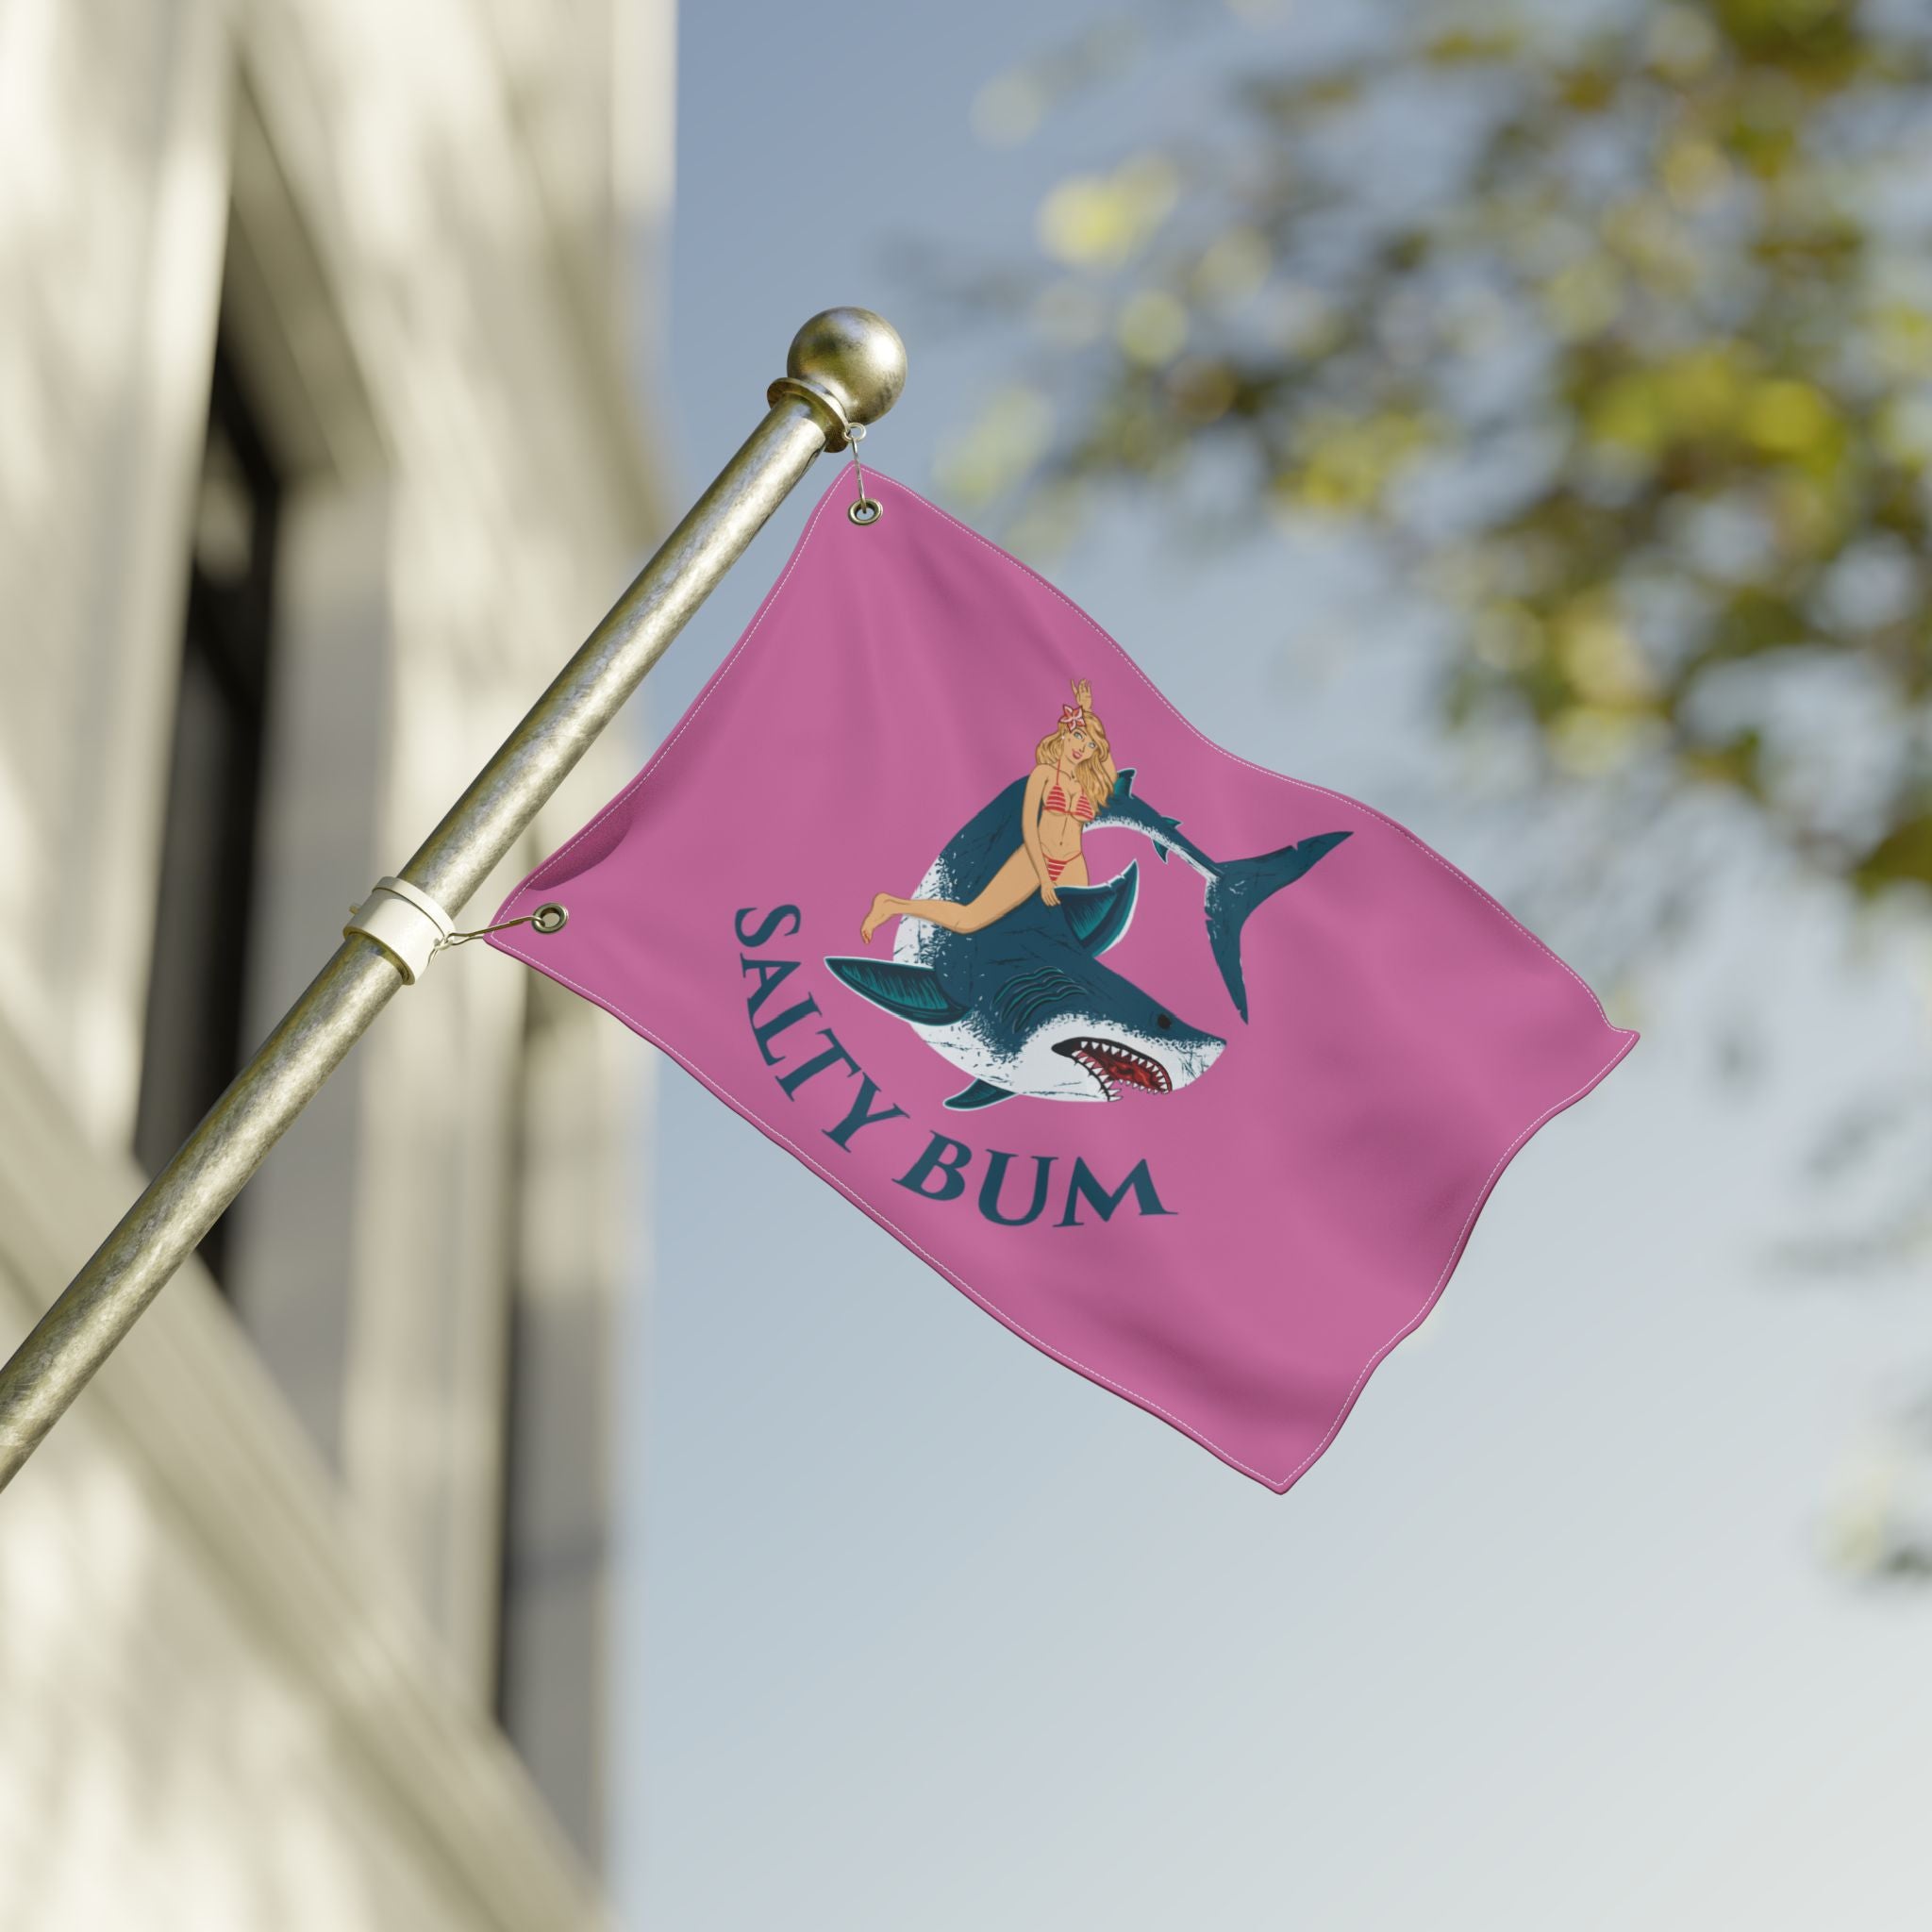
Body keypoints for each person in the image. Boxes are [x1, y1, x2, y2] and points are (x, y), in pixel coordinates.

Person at [859, 677, 1119, 944]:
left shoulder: (1088, 783)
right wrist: (1044, 877)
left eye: (1090, 746)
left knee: (1075, 937)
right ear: (1064, 733)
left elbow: (1110, 770)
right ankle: (891, 905)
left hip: (1073, 864)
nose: (1082, 749)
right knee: (969, 920)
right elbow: (1028, 825)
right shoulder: (1043, 774)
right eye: (1078, 736)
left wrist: (1087, 713)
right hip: (1034, 858)